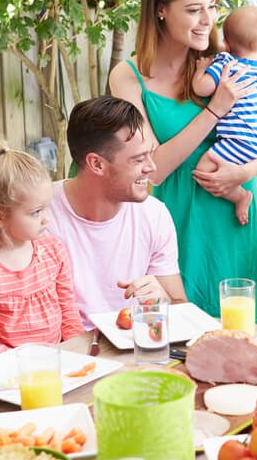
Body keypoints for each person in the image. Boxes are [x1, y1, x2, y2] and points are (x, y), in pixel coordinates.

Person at [109, 0, 257, 323]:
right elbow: (153, 169)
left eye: (212, 6)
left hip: (236, 213)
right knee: (179, 337)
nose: (208, 21)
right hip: (178, 220)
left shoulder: (226, 59)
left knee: (243, 340)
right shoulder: (128, 77)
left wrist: (246, 174)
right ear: (161, 9)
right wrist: (214, 110)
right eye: (194, 9)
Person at [47, 96, 186, 328]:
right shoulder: (41, 216)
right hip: (67, 352)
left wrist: (163, 301)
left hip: (135, 350)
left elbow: (180, 308)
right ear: (97, 164)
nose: (151, 167)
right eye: (139, 159)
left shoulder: (154, 216)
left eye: (150, 154)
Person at [0, 144, 83, 359]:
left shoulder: (54, 251)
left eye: (46, 208)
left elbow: (68, 310)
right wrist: (20, 362)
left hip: (56, 365)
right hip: (6, 376)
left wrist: (74, 352)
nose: (46, 218)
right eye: (35, 212)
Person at [191, 5, 257, 224]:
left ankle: (240, 196)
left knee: (203, 170)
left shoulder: (226, 64)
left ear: (226, 44)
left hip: (239, 141)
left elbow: (201, 88)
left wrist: (199, 71)